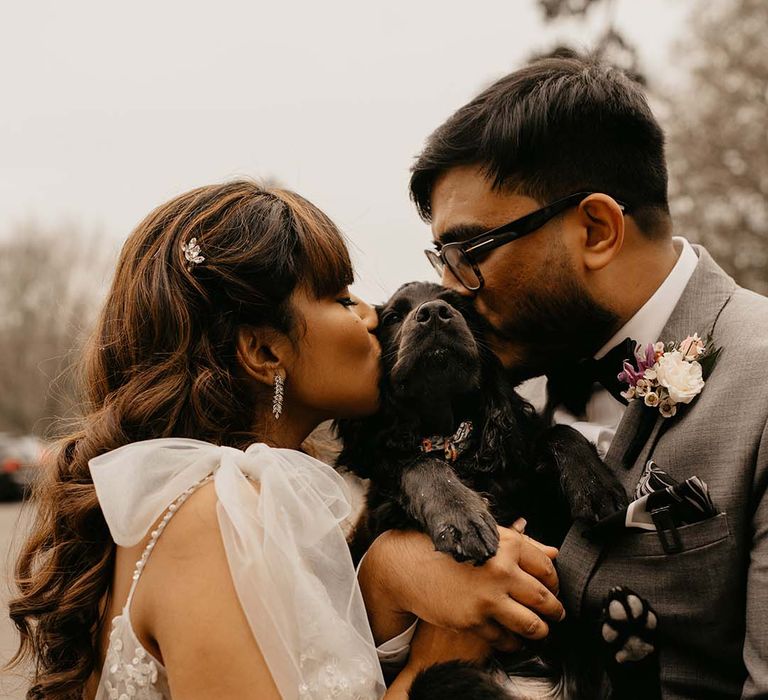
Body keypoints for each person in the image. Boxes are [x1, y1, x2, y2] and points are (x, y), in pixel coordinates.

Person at [8, 180, 564, 699]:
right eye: (343, 299)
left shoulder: (255, 502)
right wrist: (432, 664)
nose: (373, 316)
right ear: (266, 352)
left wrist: (389, 578)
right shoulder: (209, 523)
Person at [385, 52, 767, 697]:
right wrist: (396, 565)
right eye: (440, 259)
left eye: (468, 253)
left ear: (595, 229)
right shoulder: (502, 375)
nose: (452, 292)